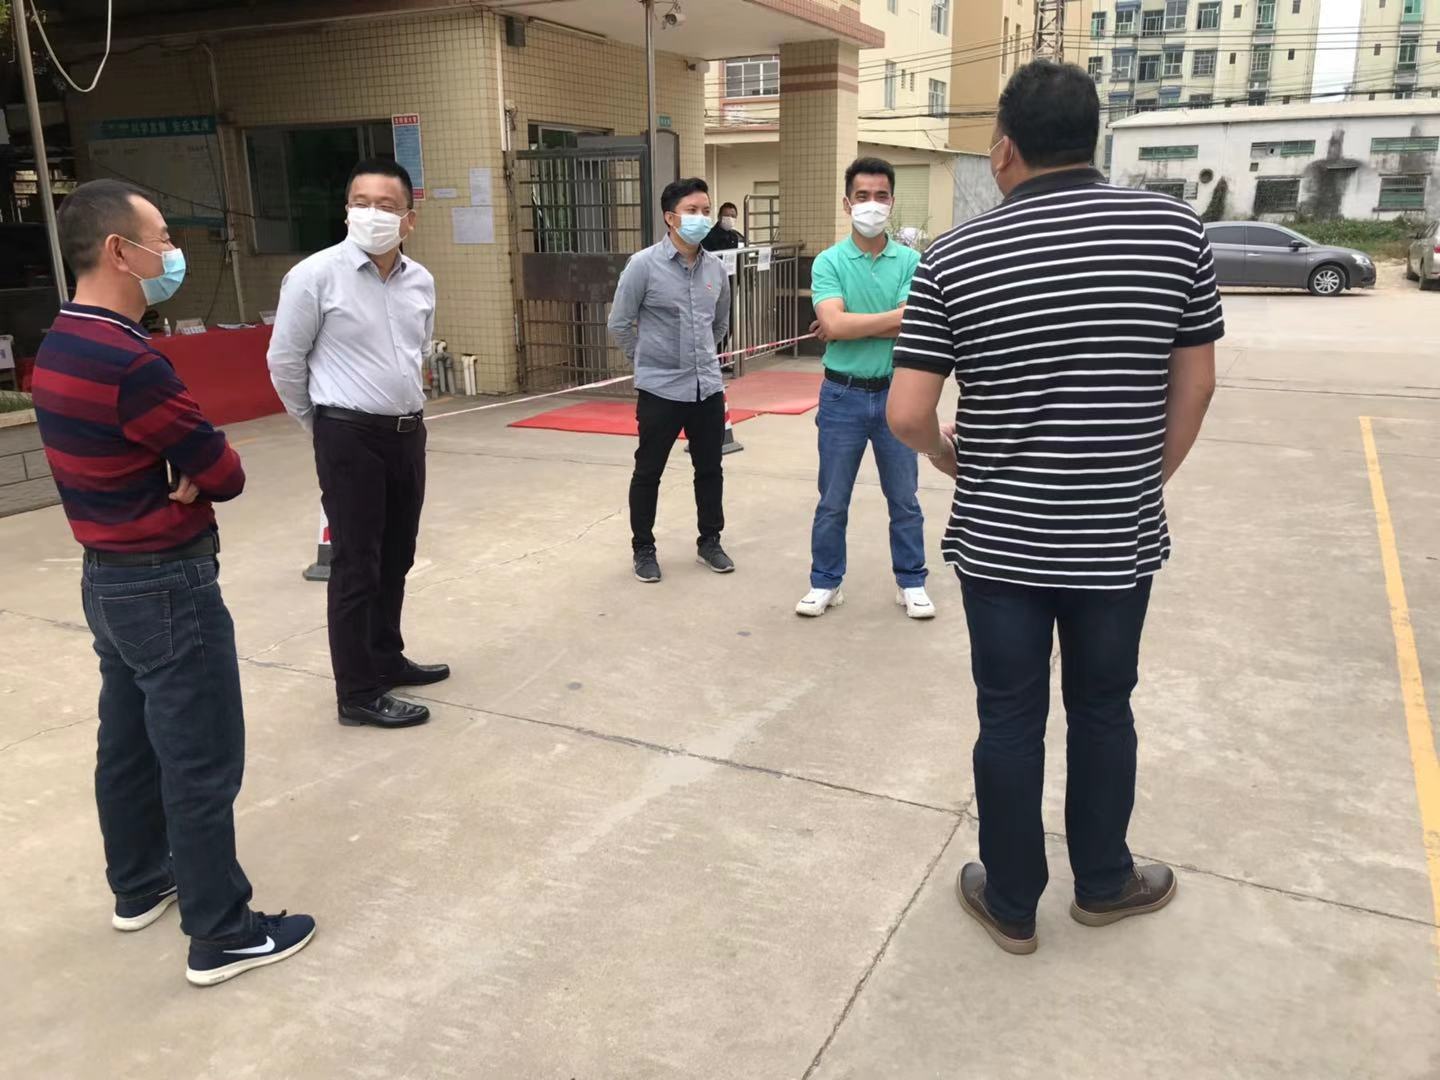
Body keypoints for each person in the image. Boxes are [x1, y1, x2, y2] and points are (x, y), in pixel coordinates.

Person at [887, 60, 1223, 954]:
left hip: (1001, 541)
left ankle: (1010, 902)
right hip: (1116, 536)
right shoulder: (1174, 233)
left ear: (1005, 149)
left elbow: (908, 414)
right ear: (1093, 138)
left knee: (1009, 718)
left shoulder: (954, 256)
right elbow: (1196, 384)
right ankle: (1105, 883)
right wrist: (1141, 479)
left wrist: (956, 461)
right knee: (1105, 708)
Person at [30, 179, 315, 986]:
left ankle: (138, 881)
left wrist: (177, 460)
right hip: (166, 582)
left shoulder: (61, 343)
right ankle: (221, 931)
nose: (172, 252)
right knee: (201, 758)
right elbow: (223, 472)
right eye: (161, 237)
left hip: (106, 578)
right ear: (119, 251)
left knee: (126, 743)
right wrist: (188, 463)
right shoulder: (132, 361)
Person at [268, 159, 447, 730]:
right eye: (361, 203)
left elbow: (415, 352)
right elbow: (285, 361)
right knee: (355, 564)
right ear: (346, 210)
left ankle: (386, 656)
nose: (372, 214)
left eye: (386, 206)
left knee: (398, 553)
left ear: (409, 219)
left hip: (406, 433)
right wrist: (321, 424)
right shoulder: (314, 276)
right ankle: (358, 691)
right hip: (348, 434)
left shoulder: (420, 281)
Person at [797, 157, 933, 621]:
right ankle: (825, 581)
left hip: (898, 393)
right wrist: (886, 320)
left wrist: (847, 325)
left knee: (904, 498)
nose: (871, 205)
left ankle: (911, 581)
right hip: (842, 395)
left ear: (891, 202)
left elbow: (909, 325)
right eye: (862, 196)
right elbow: (836, 323)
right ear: (846, 203)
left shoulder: (913, 262)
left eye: (880, 196)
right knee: (833, 499)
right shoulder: (829, 261)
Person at [607, 177, 734, 583]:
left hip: (707, 388)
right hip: (660, 389)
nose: (701, 218)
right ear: (670, 217)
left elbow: (720, 325)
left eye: (706, 210)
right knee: (649, 471)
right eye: (692, 210)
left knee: (710, 469)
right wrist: (648, 361)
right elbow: (620, 323)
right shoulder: (643, 265)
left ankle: (710, 541)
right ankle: (643, 548)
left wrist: (700, 358)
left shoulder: (716, 268)